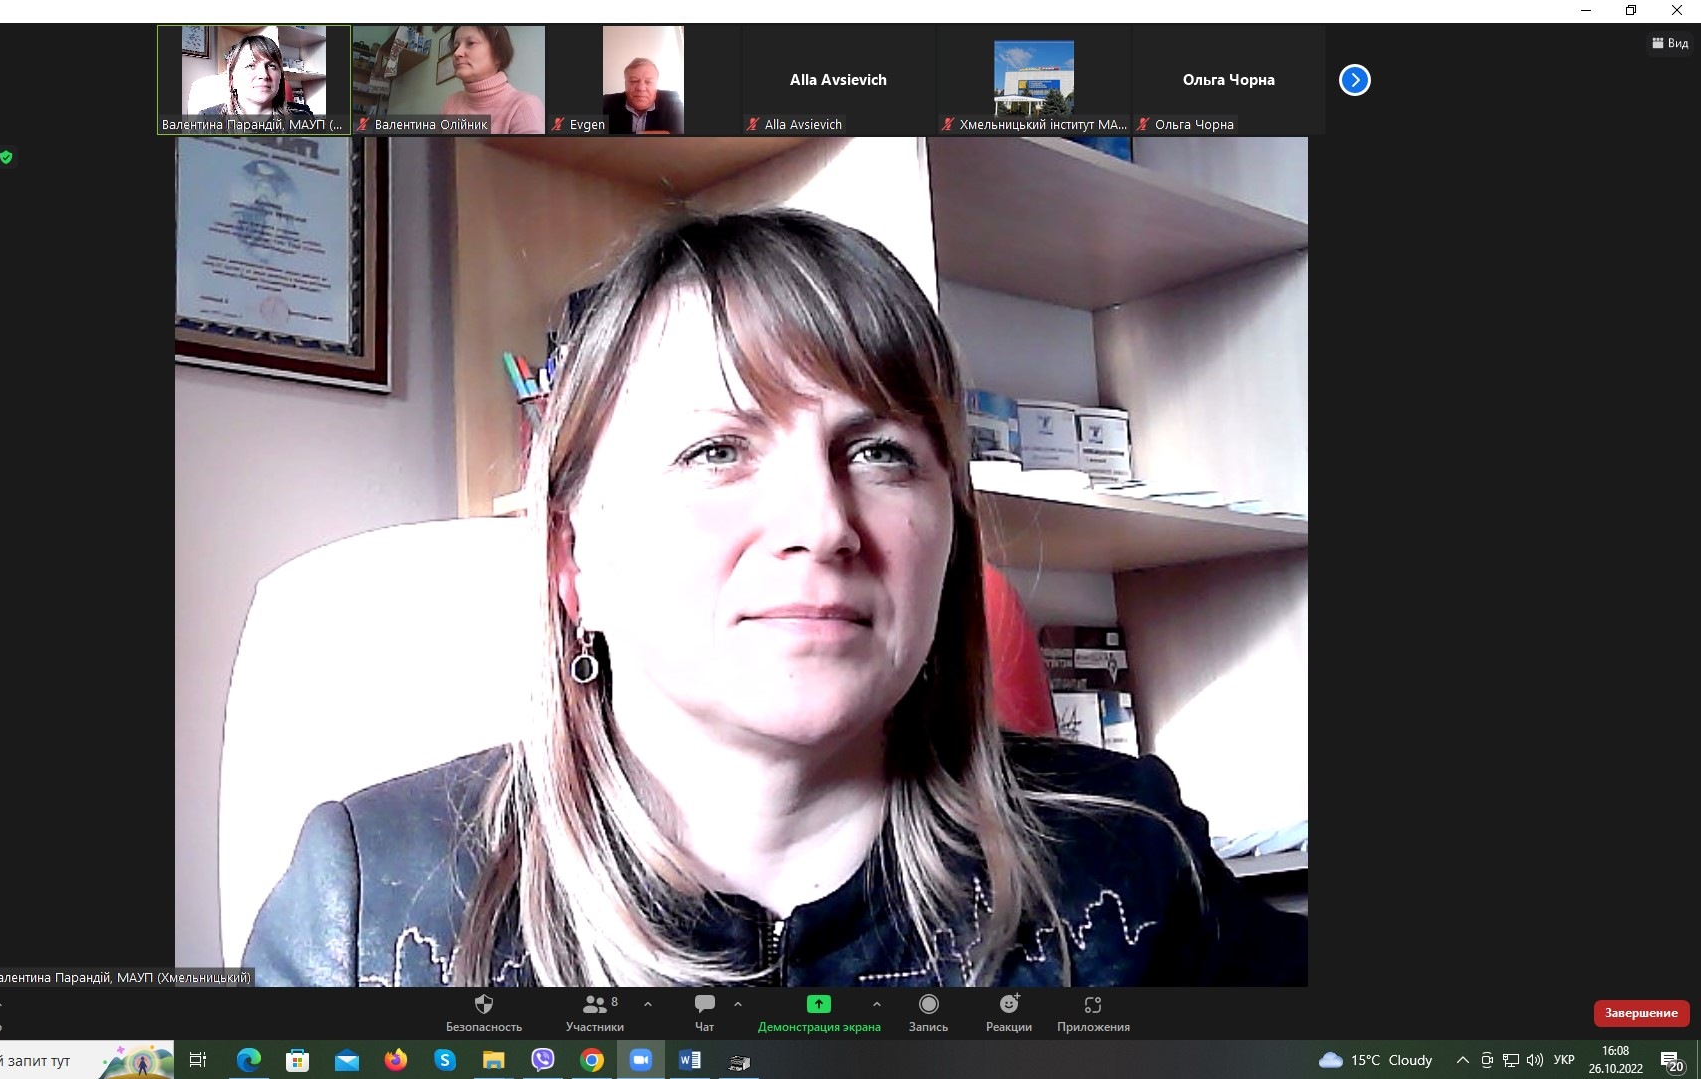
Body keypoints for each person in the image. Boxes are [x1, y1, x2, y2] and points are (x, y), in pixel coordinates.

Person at [243, 209, 1307, 988]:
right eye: (716, 449)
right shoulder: (369, 903)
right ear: (573, 563)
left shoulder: (1130, 853)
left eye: (880, 451)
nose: (823, 520)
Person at [441, 25, 545, 136]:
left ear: (498, 55)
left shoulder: (523, 106)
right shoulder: (451, 102)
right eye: (456, 46)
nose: (457, 53)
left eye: (471, 43)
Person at [198, 35, 314, 123]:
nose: (264, 74)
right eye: (250, 66)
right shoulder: (206, 121)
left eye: (271, 66)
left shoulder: (303, 116)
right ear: (232, 79)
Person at [602, 57, 683, 134]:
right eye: (633, 81)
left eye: (648, 82)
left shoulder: (672, 101)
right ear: (625, 83)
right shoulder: (606, 102)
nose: (641, 88)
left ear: (656, 84)